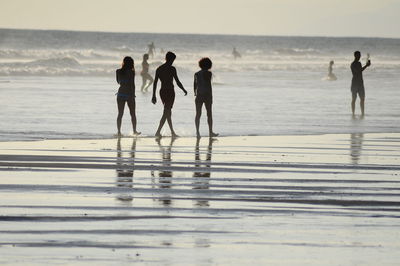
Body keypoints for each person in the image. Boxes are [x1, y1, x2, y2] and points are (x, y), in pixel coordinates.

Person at [152, 51, 187, 138]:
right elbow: (177, 81)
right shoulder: (172, 69)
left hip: (163, 91)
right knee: (166, 112)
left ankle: (172, 132)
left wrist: (154, 95)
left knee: (168, 112)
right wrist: (183, 89)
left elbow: (155, 83)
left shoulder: (159, 69)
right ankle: (159, 132)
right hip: (169, 92)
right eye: (172, 60)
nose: (172, 62)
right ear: (169, 59)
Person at [194, 57, 218, 138]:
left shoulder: (196, 74)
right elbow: (208, 84)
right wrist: (211, 96)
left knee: (198, 114)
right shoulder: (209, 73)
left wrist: (195, 93)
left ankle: (197, 132)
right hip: (207, 95)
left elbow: (195, 85)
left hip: (199, 95)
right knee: (209, 114)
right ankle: (210, 132)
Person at [116, 56, 140, 136]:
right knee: (133, 114)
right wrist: (133, 94)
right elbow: (132, 84)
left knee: (120, 114)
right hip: (129, 94)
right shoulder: (131, 72)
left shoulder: (118, 71)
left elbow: (118, 82)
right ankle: (134, 131)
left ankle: (119, 132)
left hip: (120, 94)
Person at [351, 51, 371, 116]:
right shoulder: (352, 64)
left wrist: (366, 65)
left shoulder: (359, 63)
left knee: (362, 99)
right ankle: (353, 113)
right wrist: (366, 66)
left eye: (360, 55)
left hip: (360, 83)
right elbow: (357, 72)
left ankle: (362, 113)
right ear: (355, 56)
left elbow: (360, 70)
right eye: (358, 55)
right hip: (354, 84)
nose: (359, 57)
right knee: (354, 99)